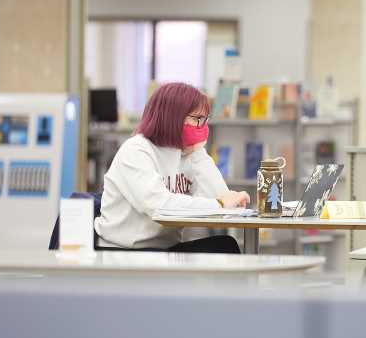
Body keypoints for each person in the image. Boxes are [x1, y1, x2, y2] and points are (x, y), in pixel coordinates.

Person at [95, 82, 250, 253]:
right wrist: (220, 204)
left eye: (205, 119)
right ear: (173, 118)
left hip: (164, 249)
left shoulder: (187, 152)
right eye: (197, 119)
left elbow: (221, 200)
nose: (203, 127)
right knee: (223, 249)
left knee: (225, 245)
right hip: (123, 251)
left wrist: (198, 154)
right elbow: (159, 206)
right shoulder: (136, 151)